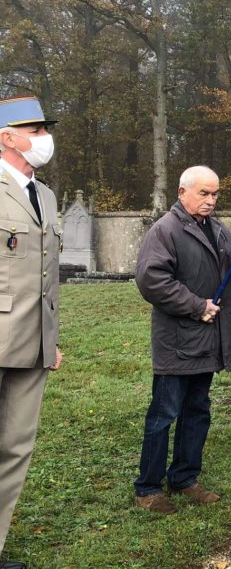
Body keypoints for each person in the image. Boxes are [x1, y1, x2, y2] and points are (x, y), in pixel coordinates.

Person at [133, 165, 231, 514]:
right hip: (178, 341)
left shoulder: (217, 229)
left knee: (197, 411)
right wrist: (195, 305)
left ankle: (185, 478)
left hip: (209, 340)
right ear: (182, 192)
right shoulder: (166, 230)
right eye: (204, 193)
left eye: (215, 194)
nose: (211, 200)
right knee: (164, 414)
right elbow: (152, 279)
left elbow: (228, 272)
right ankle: (148, 488)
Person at [0, 96, 63, 569]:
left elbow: (45, 276)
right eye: (36, 130)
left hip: (32, 340)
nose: (45, 138)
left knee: (16, 446)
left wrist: (50, 339)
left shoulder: (45, 195)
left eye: (44, 129)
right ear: (8, 137)